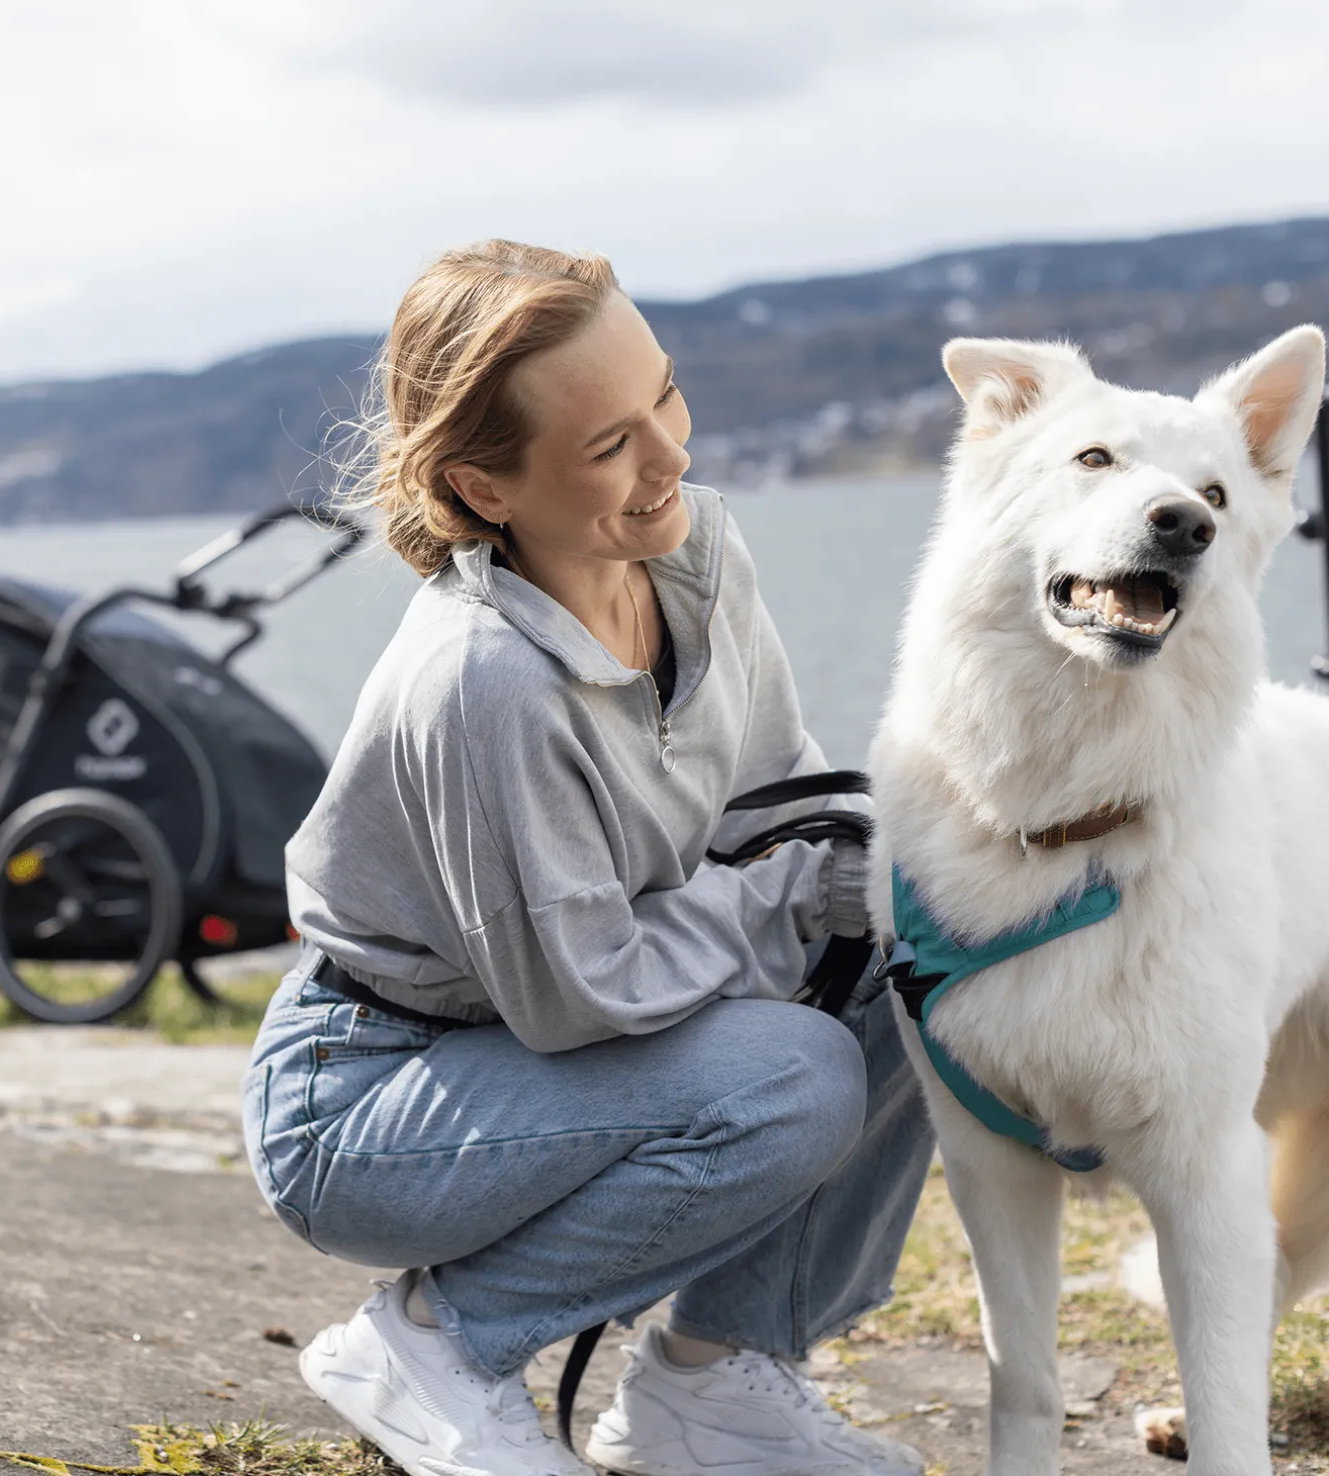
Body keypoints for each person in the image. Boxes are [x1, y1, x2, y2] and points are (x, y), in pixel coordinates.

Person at [241, 240, 935, 1476]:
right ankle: (435, 1345)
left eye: (662, 392)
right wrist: (799, 887)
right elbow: (581, 995)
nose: (670, 454)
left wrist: (908, 866)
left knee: (912, 944)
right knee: (795, 1074)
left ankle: (716, 1383)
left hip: (534, 1043)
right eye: (609, 444)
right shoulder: (484, 678)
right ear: (485, 488)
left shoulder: (694, 554)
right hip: (368, 1095)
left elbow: (777, 801)